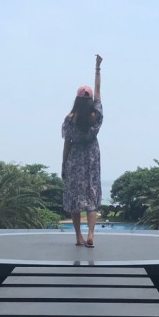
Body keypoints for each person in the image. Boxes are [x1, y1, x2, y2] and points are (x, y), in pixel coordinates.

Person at [62, 54, 103, 247]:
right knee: (91, 196)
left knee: (75, 198)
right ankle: (91, 235)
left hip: (75, 159)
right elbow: (98, 90)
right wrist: (97, 68)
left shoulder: (70, 119)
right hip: (92, 158)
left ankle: (78, 236)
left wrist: (64, 164)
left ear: (77, 100)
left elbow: (67, 143)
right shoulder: (96, 114)